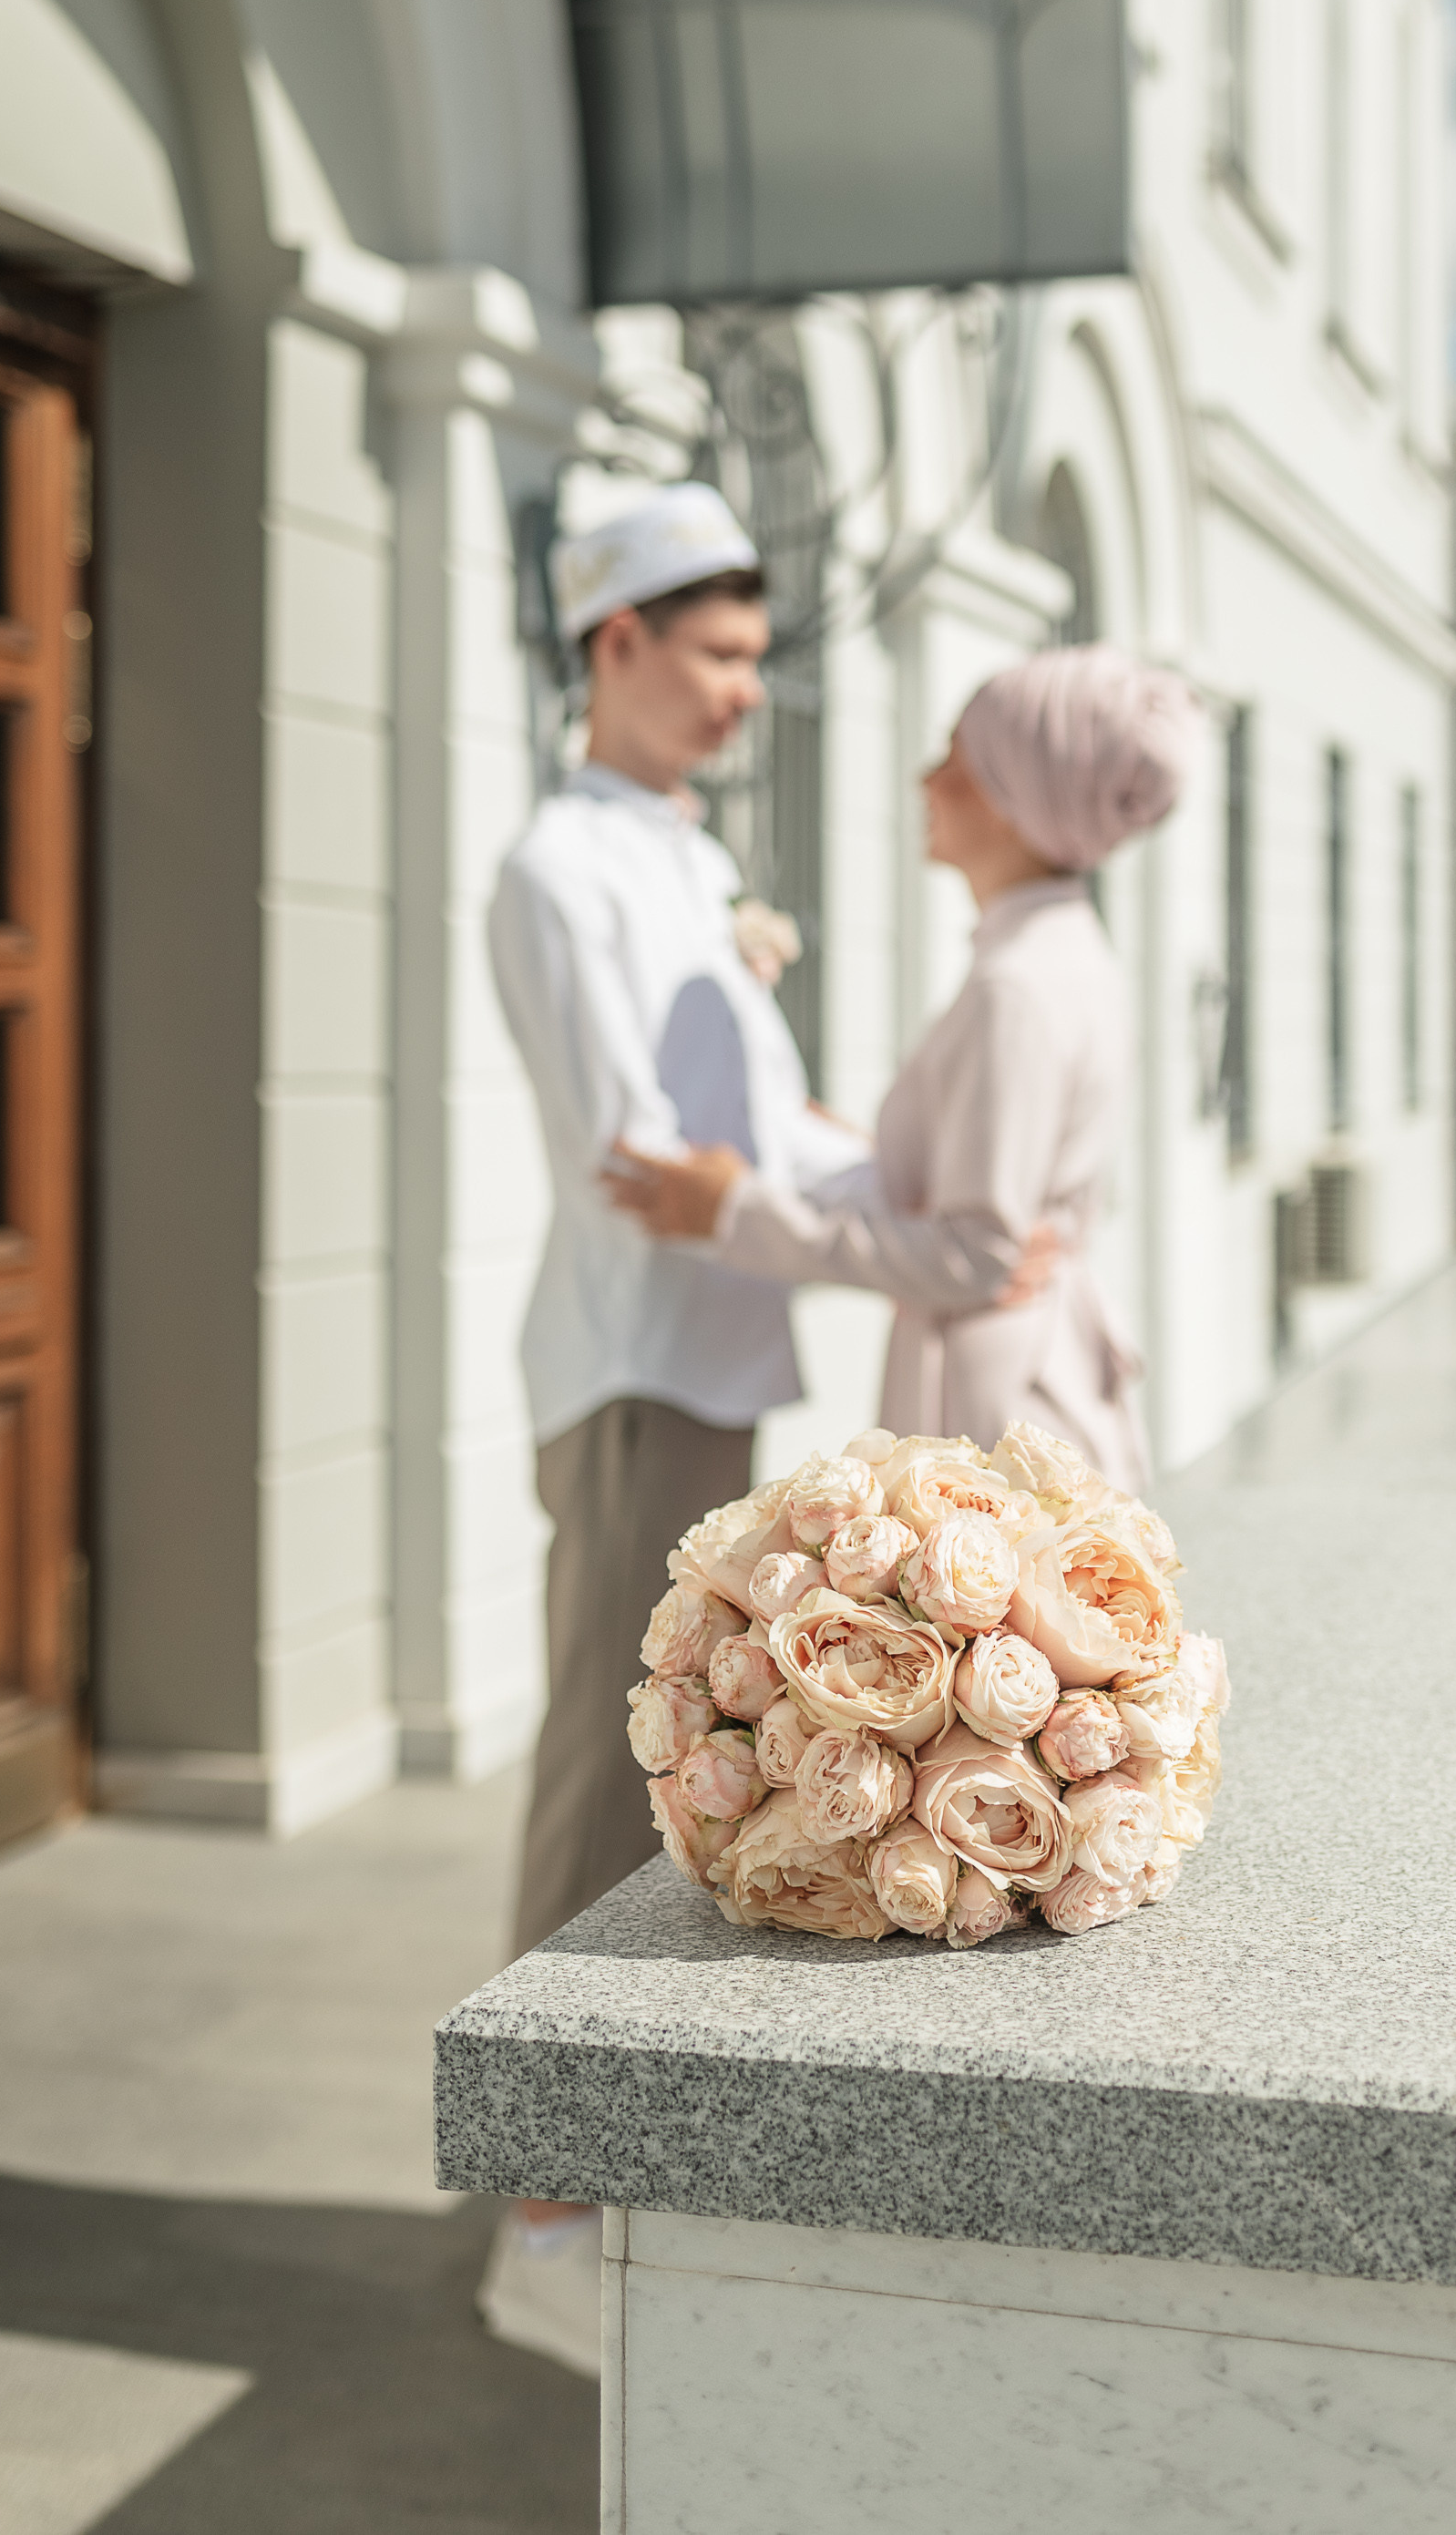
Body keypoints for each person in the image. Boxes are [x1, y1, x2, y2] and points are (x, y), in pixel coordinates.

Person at [478, 478, 866, 2371]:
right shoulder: (557, 868)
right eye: (714, 655)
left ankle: (598, 2167)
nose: (741, 692)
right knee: (602, 1768)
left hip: (708, 1361)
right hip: (638, 1368)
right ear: (613, 642)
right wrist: (880, 1217)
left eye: (753, 659)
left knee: (679, 1765)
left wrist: (891, 1186)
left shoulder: (680, 858)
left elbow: (751, 1129)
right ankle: (541, 2211)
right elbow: (640, 1159)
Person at [607, 643, 1199, 1491]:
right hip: (1027, 1369)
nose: (928, 780)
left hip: (995, 1410)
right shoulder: (1062, 953)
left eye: (956, 759)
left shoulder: (1016, 986)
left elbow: (975, 1255)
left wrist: (736, 1213)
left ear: (1012, 800)